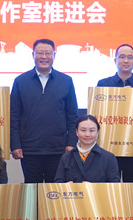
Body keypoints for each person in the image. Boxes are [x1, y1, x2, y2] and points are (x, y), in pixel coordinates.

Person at [10, 38, 78, 183]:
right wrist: (15, 145)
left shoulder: (66, 81)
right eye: (40, 53)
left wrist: (71, 143)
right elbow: (14, 116)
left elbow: (72, 115)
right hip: (29, 149)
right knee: (31, 189)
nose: (44, 57)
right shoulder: (20, 81)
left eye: (48, 53)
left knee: (55, 189)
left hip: (58, 149)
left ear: (54, 55)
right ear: (33, 55)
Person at [97, 43, 133, 183]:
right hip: (108, 146)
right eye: (122, 57)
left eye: (130, 57)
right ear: (115, 60)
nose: (126, 61)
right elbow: (100, 113)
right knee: (109, 186)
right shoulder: (103, 85)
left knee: (131, 187)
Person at [54, 115, 120, 183]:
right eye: (83, 130)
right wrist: (65, 186)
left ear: (97, 132)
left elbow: (115, 185)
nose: (87, 134)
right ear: (76, 132)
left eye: (92, 130)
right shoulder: (66, 157)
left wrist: (93, 187)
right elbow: (57, 183)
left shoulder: (109, 158)